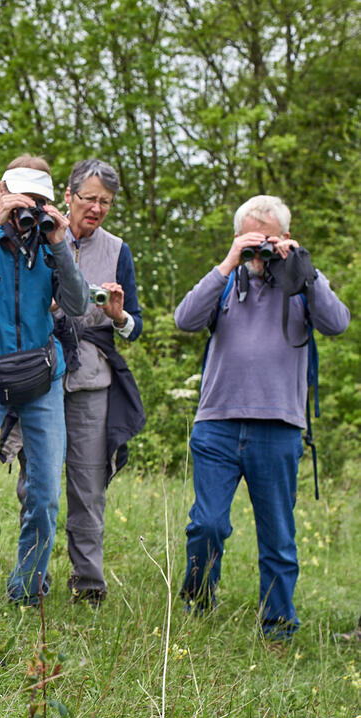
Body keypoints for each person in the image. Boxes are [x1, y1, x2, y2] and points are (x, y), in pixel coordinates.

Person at [175, 195, 349, 639]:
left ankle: (278, 626)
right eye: (250, 241)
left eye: (268, 240)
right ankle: (197, 604)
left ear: (286, 238)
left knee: (278, 535)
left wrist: (305, 272)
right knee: (206, 524)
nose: (259, 253)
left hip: (280, 427)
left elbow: (337, 323)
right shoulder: (227, 281)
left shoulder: (301, 284)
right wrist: (228, 261)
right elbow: (185, 319)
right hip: (217, 422)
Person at [0, 155, 89, 605]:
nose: (26, 209)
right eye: (19, 198)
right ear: (2, 190)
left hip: (41, 377)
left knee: (46, 490)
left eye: (38, 200)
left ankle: (28, 589)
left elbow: (78, 303)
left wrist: (60, 244)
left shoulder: (50, 246)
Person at [54, 159, 145, 606]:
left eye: (104, 202)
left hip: (93, 377)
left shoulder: (117, 249)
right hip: (44, 372)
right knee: (35, 481)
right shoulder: (41, 231)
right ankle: (28, 580)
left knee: (89, 485)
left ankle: (89, 585)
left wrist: (120, 316)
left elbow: (136, 324)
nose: (96, 208)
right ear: (68, 195)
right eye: (88, 198)